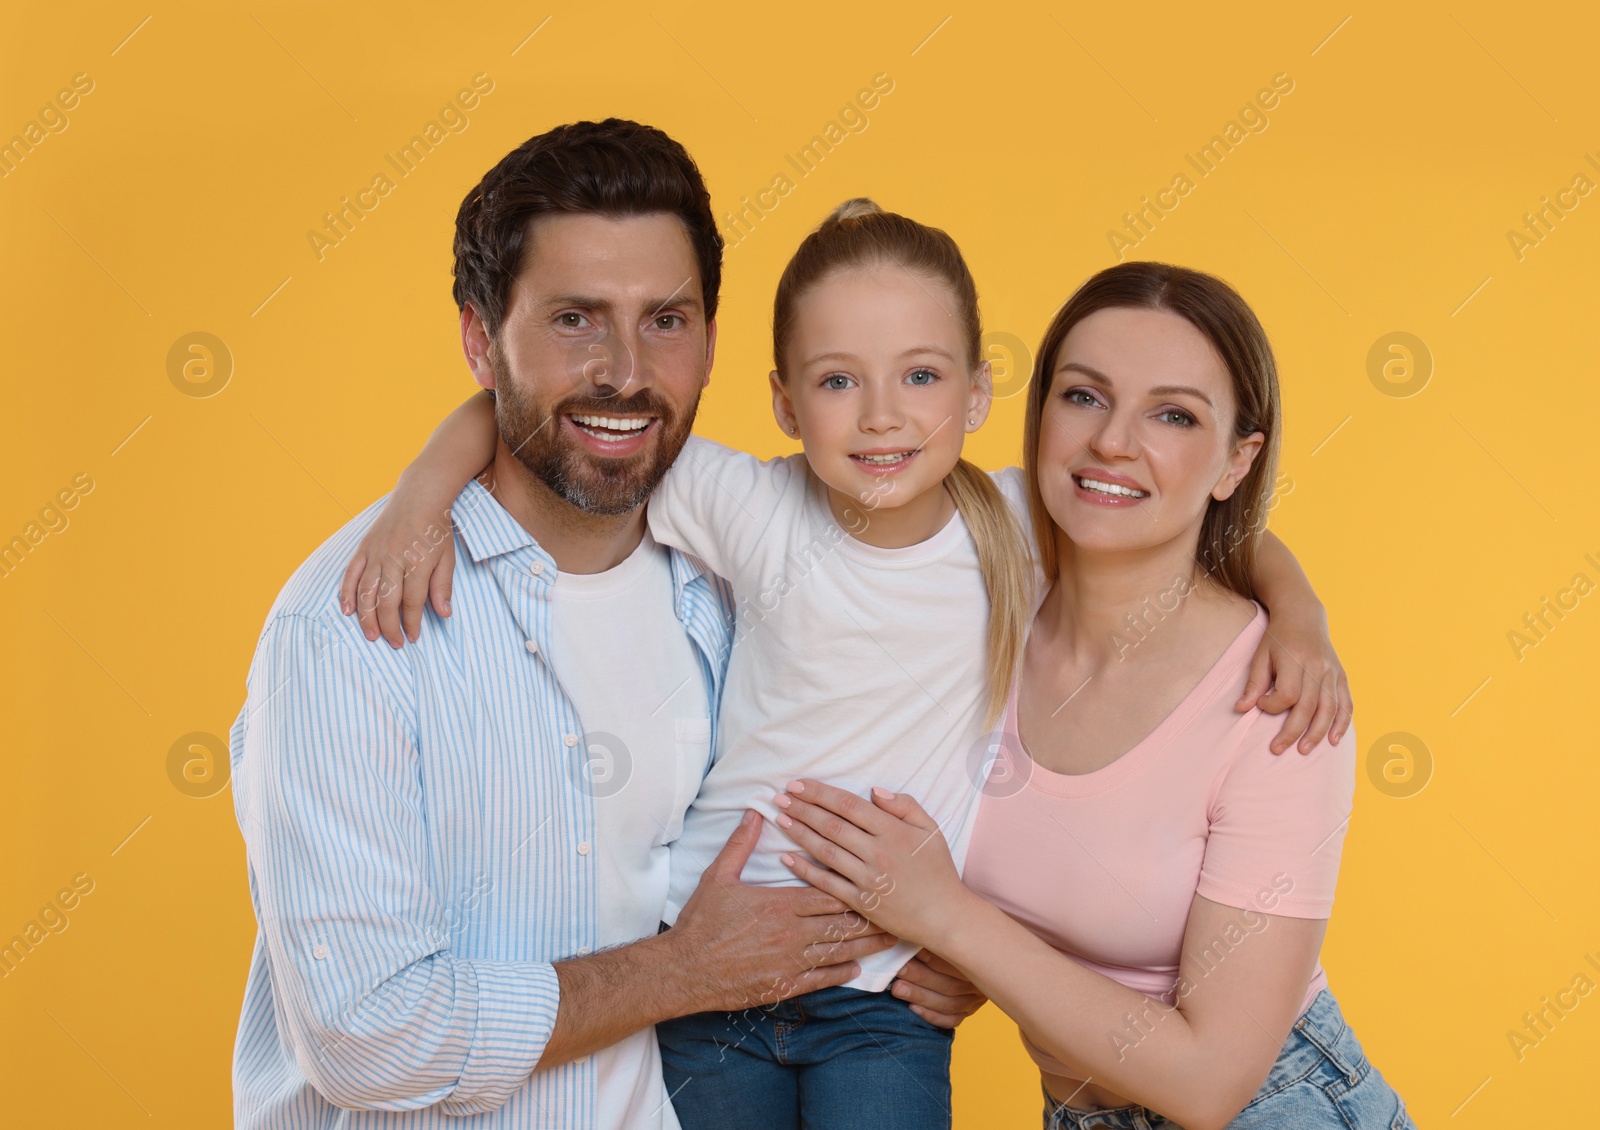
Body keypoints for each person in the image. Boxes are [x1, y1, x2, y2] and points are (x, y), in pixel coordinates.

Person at [342, 206, 1352, 1128]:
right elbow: (551, 412)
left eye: (917, 375)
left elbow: (1217, 525)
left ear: (972, 393)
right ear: (785, 400)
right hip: (720, 970)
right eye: (838, 380)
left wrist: (1296, 613)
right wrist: (416, 501)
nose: (879, 415)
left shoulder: (1006, 532)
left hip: (955, 1022)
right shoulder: (834, 520)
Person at [229, 120, 926, 1130]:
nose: (625, 370)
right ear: (479, 338)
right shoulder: (350, 623)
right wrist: (681, 970)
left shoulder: (749, 575)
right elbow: (366, 1034)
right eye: (573, 319)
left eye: (666, 320)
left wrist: (934, 957)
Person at [770, 262, 1414, 1130]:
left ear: (1237, 459)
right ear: (1036, 418)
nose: (1114, 442)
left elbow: (1208, 1082)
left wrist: (954, 923)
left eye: (1174, 414)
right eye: (1083, 397)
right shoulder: (981, 592)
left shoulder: (1277, 707)